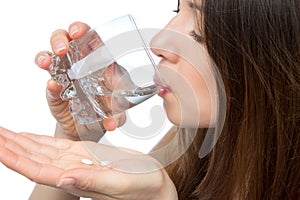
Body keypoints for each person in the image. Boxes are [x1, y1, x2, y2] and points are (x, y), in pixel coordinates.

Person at [0, 0, 299, 199]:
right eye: (176, 11)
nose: (157, 43)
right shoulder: (196, 151)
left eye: (198, 33)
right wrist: (77, 134)